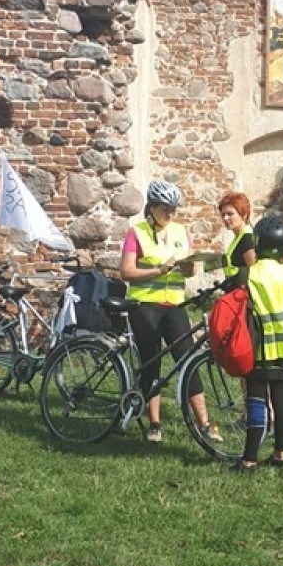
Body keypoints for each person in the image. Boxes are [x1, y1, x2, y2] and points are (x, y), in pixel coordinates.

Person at [120, 180, 221, 445]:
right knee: (151, 362)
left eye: (173, 209)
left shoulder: (180, 231)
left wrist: (190, 268)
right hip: (145, 306)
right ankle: (154, 423)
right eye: (165, 208)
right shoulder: (137, 232)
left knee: (188, 359)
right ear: (151, 207)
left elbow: (190, 269)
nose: (170, 214)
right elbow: (126, 271)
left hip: (174, 304)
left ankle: (205, 423)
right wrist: (158, 271)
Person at [237, 214, 283, 475]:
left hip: (260, 348)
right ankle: (279, 455)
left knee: (256, 401)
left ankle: (249, 460)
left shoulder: (249, 274)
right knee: (281, 399)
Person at [218, 191, 256, 289]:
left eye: (230, 214)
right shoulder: (238, 238)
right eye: (223, 215)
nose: (225, 218)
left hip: (243, 298)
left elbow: (255, 273)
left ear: (244, 215)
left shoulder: (247, 240)